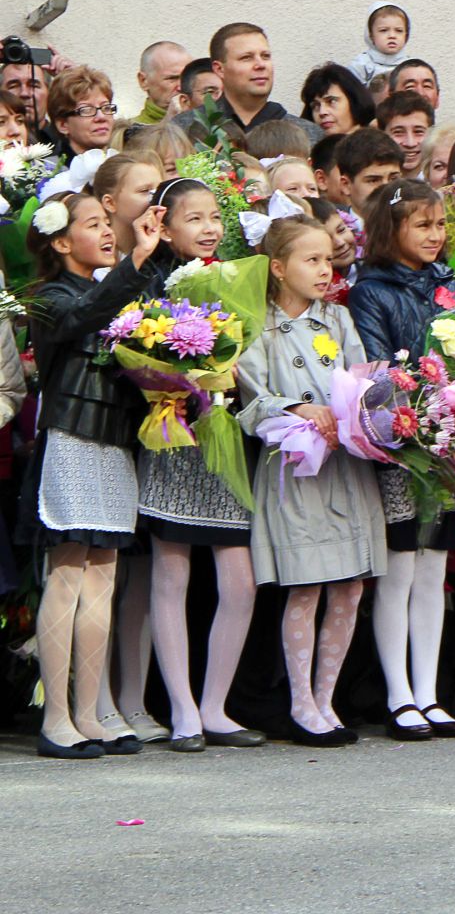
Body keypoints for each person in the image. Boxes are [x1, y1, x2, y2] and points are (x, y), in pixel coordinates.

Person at [239, 215, 385, 746]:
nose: (326, 269)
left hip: (345, 466)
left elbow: (360, 378)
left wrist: (369, 406)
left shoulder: (338, 320)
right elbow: (249, 401)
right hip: (296, 471)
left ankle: (327, 698)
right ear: (278, 268)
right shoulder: (257, 325)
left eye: (329, 258)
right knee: (306, 586)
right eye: (312, 259)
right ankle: (300, 700)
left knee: (349, 587)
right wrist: (297, 406)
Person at [27, 192, 161, 757]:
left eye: (110, 223)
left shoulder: (117, 288)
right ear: (60, 242)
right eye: (93, 224)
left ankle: (90, 711)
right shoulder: (49, 297)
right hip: (71, 441)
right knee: (68, 572)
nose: (108, 231)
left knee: (103, 574)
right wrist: (135, 261)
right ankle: (55, 716)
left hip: (115, 444)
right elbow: (83, 317)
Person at [136, 178, 261, 749]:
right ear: (164, 224)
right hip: (175, 437)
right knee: (173, 570)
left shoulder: (235, 280)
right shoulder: (149, 281)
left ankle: (216, 704)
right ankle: (182, 708)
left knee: (239, 577)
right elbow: (134, 350)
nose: (209, 228)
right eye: (194, 219)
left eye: (215, 217)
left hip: (227, 439)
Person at [347, 179, 455, 739]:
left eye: (440, 224)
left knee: (435, 567)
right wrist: (413, 404)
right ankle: (398, 693)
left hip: (448, 433)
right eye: (421, 224)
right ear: (390, 228)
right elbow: (375, 363)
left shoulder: (450, 283)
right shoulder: (370, 289)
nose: (434, 235)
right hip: (398, 436)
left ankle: (429, 690)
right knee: (400, 566)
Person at [175, 23, 322, 144]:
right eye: (246, 58)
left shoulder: (309, 135)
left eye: (265, 56)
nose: (260, 65)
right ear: (219, 69)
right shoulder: (183, 129)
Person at [45, 66, 118, 163]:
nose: (101, 117)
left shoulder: (125, 168)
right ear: (63, 125)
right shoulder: (48, 173)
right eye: (87, 110)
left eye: (106, 108)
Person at [344, 2, 415, 87]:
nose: (392, 36)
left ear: (406, 35)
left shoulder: (412, 66)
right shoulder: (361, 65)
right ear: (371, 35)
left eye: (399, 31)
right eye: (384, 30)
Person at [301, 64, 375, 138]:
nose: (322, 112)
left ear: (354, 101)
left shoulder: (377, 144)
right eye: (316, 106)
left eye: (331, 101)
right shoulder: (305, 146)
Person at [376, 91, 435, 177]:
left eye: (418, 132)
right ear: (382, 135)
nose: (410, 143)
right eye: (398, 132)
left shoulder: (444, 186)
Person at [133, 41, 190, 124]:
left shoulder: (208, 129)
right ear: (143, 81)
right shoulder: (127, 134)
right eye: (172, 78)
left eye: (187, 77)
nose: (181, 87)